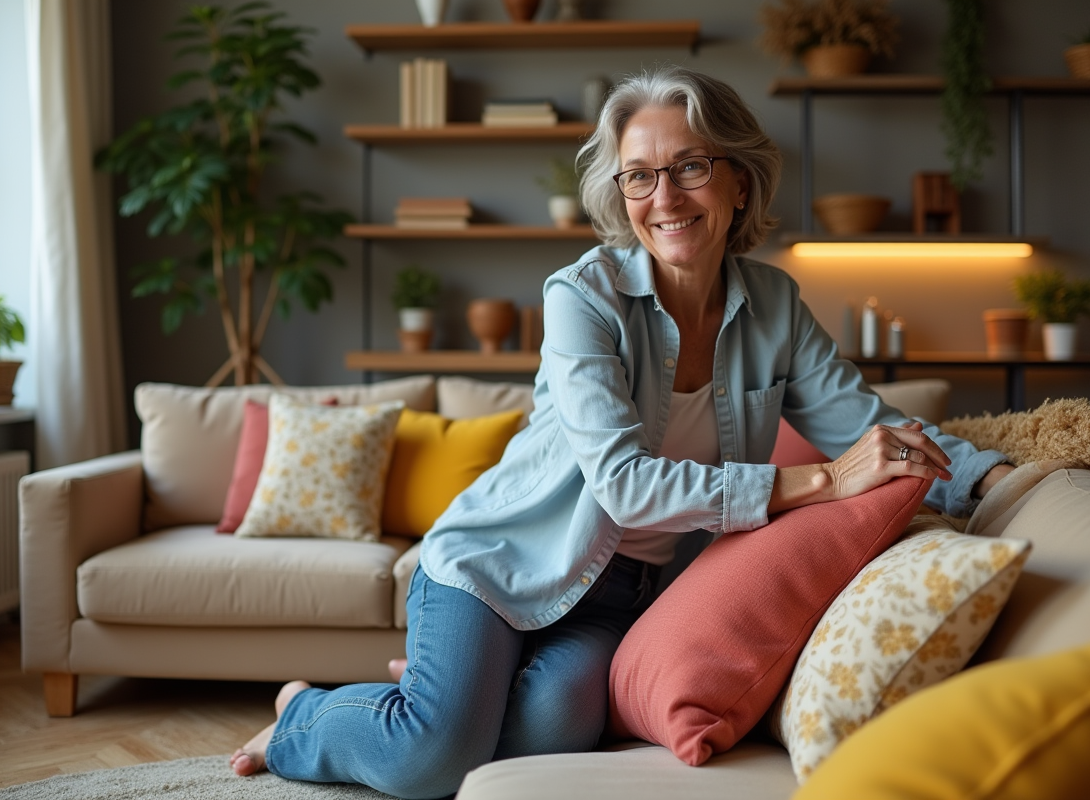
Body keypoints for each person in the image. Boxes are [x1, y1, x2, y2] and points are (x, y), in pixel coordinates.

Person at [230, 65, 1014, 798]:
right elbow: (626, 487)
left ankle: (447, 697)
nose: (664, 196)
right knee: (433, 759)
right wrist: (819, 481)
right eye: (639, 175)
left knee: (560, 727)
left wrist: (992, 478)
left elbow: (864, 422)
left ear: (739, 181)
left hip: (618, 597)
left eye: (691, 167)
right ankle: (307, 712)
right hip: (499, 562)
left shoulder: (774, 306)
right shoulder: (584, 296)